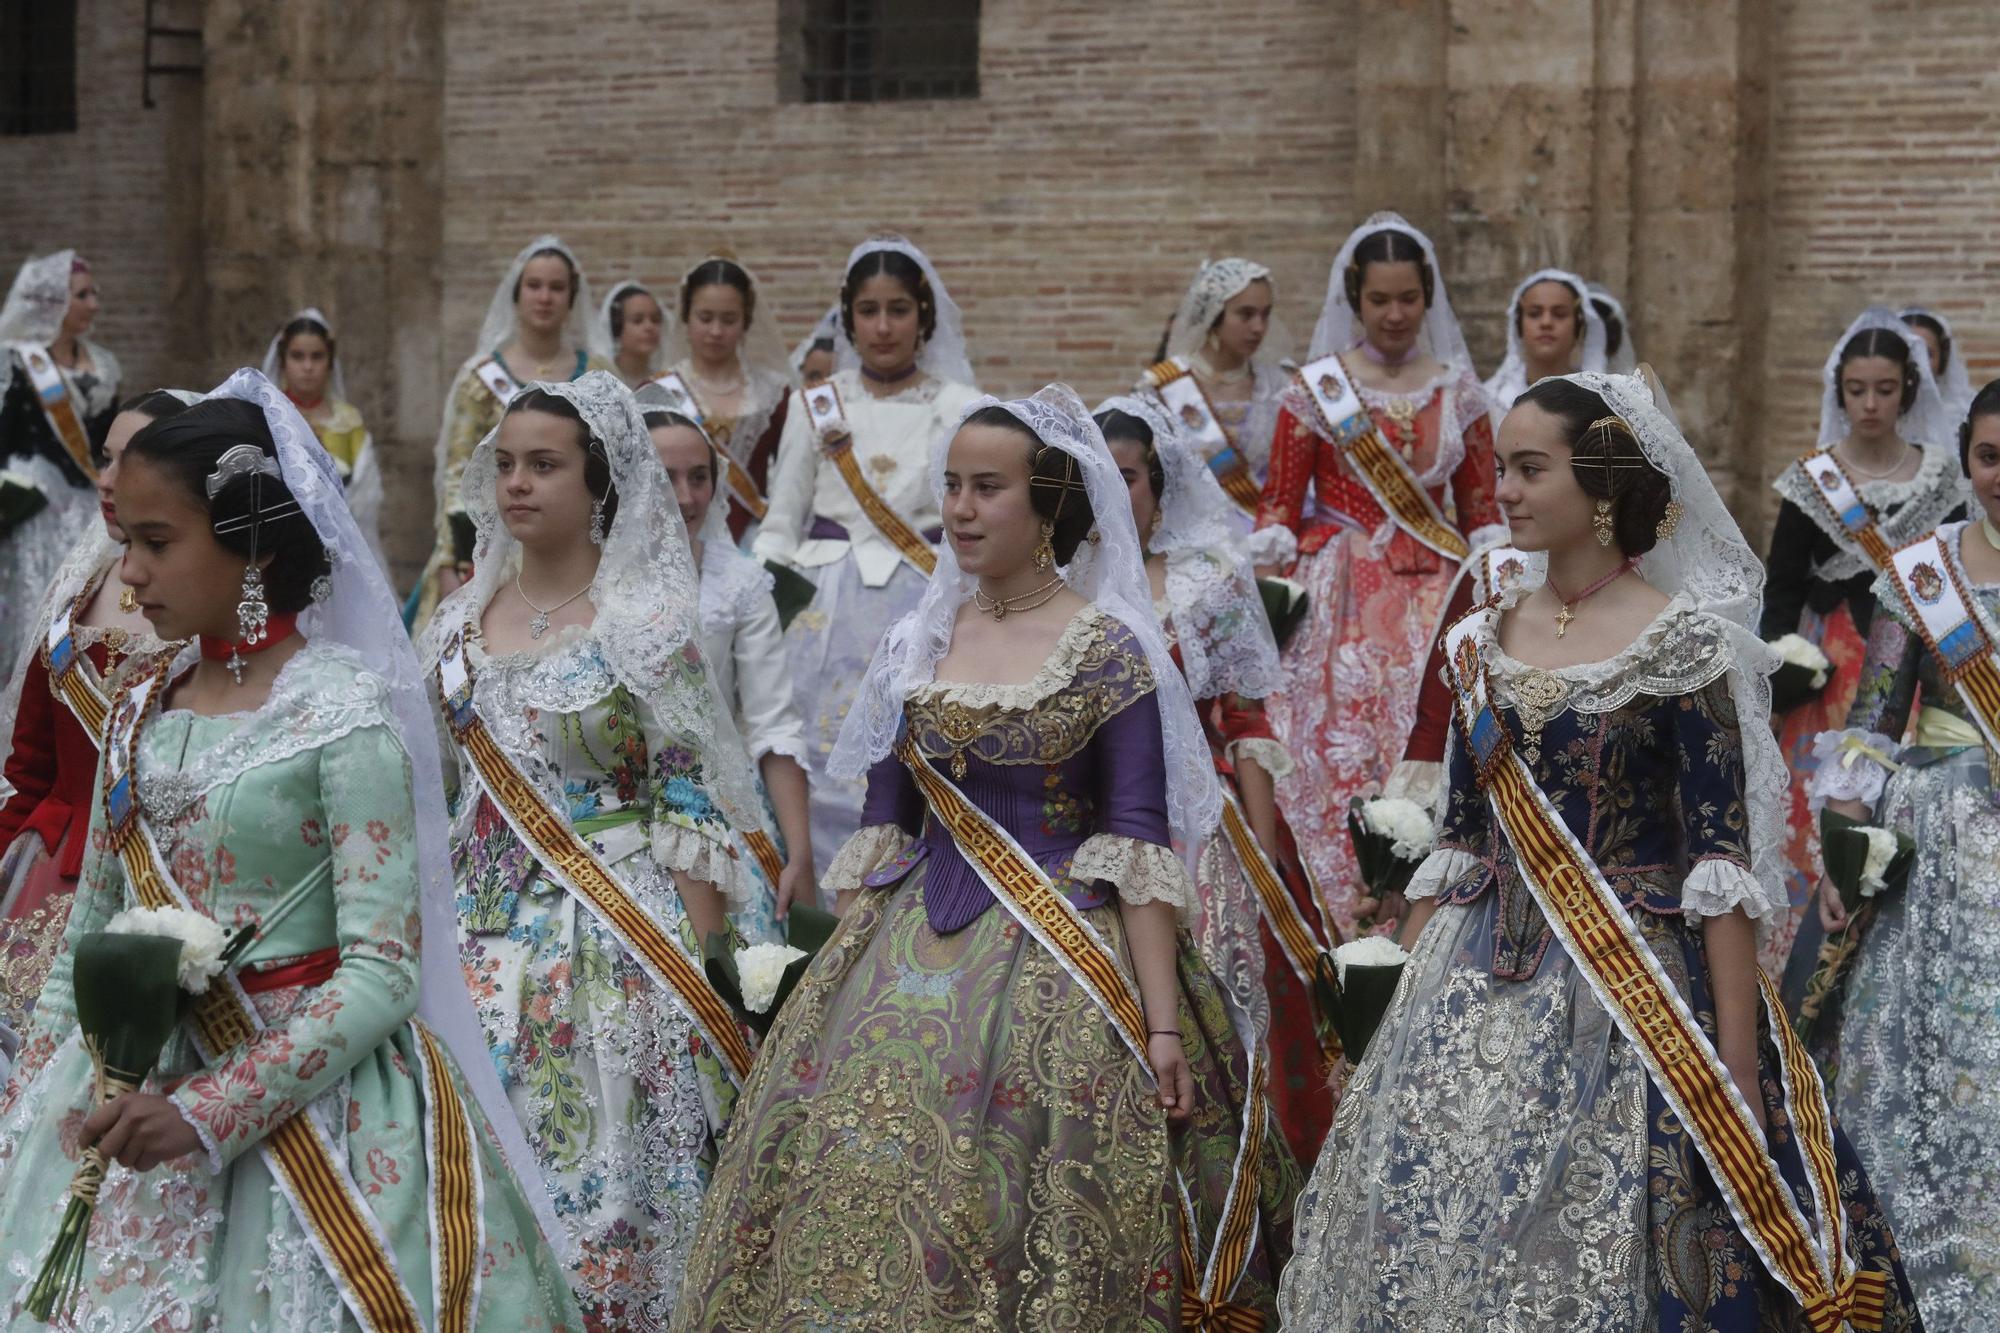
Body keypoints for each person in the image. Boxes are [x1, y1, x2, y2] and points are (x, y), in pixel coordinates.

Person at [1278, 368, 1921, 1332]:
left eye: (1533, 470)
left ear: (1606, 484)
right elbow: (1458, 844)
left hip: (1638, 994)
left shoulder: (1686, 649)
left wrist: (1735, 1086)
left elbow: (1722, 874)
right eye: (1502, 468)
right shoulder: (1478, 642)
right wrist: (1393, 982)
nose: (1506, 491)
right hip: (1467, 981)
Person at [675, 385, 1298, 1330]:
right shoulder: (914, 642)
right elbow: (885, 835)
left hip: (1066, 963)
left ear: (1047, 505)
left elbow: (1135, 842)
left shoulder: (1108, 650)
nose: (961, 508)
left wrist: (1164, 1031)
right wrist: (833, 1007)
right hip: (904, 950)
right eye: (953, 486)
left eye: (988, 489)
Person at [0, 370, 579, 1329]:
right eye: (126, 544)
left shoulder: (342, 716)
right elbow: (89, 935)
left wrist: (204, 1110)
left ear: (252, 548)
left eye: (157, 542)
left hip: (318, 1118)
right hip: (126, 1106)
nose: (129, 573)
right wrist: (51, 1104)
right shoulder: (138, 711)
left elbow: (384, 970)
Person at [420, 372, 766, 1328]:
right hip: (477, 936)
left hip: (614, 941)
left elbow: (687, 801)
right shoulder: (453, 625)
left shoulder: (645, 626)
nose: (518, 485)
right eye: (505, 467)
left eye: (544, 465)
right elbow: (438, 788)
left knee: (611, 1181)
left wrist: (712, 977)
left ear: (597, 481)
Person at [1801, 377, 2000, 1327]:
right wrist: (1843, 854)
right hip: (1938, 850)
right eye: (1990, 457)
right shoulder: (1922, 571)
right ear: (1965, 458)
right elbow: (1872, 726)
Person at [1099, 391, 1338, 1164]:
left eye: (1126, 476)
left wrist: (1265, 859)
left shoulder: (1206, 581)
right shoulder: (1052, 589)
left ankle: (1242, 1180)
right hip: (1091, 822)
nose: (1110, 493)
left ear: (1159, 489)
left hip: (1203, 822)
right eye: (1091, 477)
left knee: (1242, 992)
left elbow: (1247, 722)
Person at [1251, 212, 1504, 938]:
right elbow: (1279, 506)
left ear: (1428, 299)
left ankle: (1433, 922)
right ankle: (1338, 928)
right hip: (1342, 598)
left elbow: (1482, 508)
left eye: (1408, 299)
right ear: (1354, 303)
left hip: (1439, 599)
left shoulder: (1461, 392)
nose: (1395, 315)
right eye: (1379, 301)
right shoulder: (1314, 391)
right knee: (1339, 757)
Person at [752, 236, 981, 876]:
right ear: (848, 318)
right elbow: (779, 523)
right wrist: (758, 616)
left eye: (899, 309)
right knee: (816, 770)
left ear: (924, 317)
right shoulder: (818, 404)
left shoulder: (959, 406)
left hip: (922, 610)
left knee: (914, 773)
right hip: (819, 619)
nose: (883, 326)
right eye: (869, 310)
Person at [0, 389, 190, 1068]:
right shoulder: (78, 589)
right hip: (44, 878)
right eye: (104, 459)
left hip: (156, 887)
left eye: (131, 461)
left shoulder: (207, 598)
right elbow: (30, 764)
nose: (107, 480)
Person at [1766, 308, 1956, 984]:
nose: (1870, 403)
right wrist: (1782, 662)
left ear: (1908, 388)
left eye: (1884, 388)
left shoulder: (1942, 479)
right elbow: (1781, 589)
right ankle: (1798, 978)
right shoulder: (1814, 481)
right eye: (1856, 389)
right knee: (1814, 821)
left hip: (1912, 683)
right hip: (1829, 681)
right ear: (1838, 391)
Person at [643, 398, 815, 934]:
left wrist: (800, 853)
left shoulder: (738, 583)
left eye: (699, 477)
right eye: (665, 478)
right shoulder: (585, 582)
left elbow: (773, 723)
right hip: (618, 811)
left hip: (724, 805)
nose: (686, 497)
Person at [412, 235, 611, 629]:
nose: (545, 297)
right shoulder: (480, 377)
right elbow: (457, 471)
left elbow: (616, 468)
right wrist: (455, 558)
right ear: (516, 294)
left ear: (571, 298)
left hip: (578, 546)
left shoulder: (598, 374)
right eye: (534, 286)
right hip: (490, 543)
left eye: (557, 288)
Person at [0, 252, 122, 681]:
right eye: (82, 295)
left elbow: (108, 443)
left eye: (95, 294)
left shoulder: (103, 364)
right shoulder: (15, 362)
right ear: (52, 301)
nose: (94, 304)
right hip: (34, 514)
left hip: (88, 508)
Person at [1136, 258, 1293, 525]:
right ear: (1214, 314)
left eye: (1265, 314)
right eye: (1245, 314)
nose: (1258, 327)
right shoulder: (1165, 386)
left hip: (1266, 531)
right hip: (1191, 532)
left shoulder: (1278, 384)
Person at [658, 257, 796, 543]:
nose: (716, 331)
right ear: (686, 315)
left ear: (746, 320)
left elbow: (791, 478)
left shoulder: (774, 394)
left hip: (755, 541)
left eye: (729, 319)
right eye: (705, 318)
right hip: (675, 539)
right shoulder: (660, 390)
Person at [260, 308, 386, 572]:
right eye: (298, 356)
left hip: (340, 547)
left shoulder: (348, 421)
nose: (308, 367)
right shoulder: (266, 415)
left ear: (330, 361)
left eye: (317, 356)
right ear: (283, 360)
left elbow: (365, 490)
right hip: (279, 542)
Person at [1480, 266, 1608, 428]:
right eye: (1534, 314)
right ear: (1518, 325)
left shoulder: (1599, 401)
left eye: (1560, 314)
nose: (1546, 323)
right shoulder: (1490, 402)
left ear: (1578, 326)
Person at [1901, 304, 1974, 425]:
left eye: (1927, 353)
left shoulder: (1965, 414)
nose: (1918, 362)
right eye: (1909, 352)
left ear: (1942, 359)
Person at [597, 280, 667, 388]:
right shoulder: (600, 382)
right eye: (637, 320)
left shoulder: (666, 382)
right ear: (616, 326)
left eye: (655, 320)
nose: (649, 327)